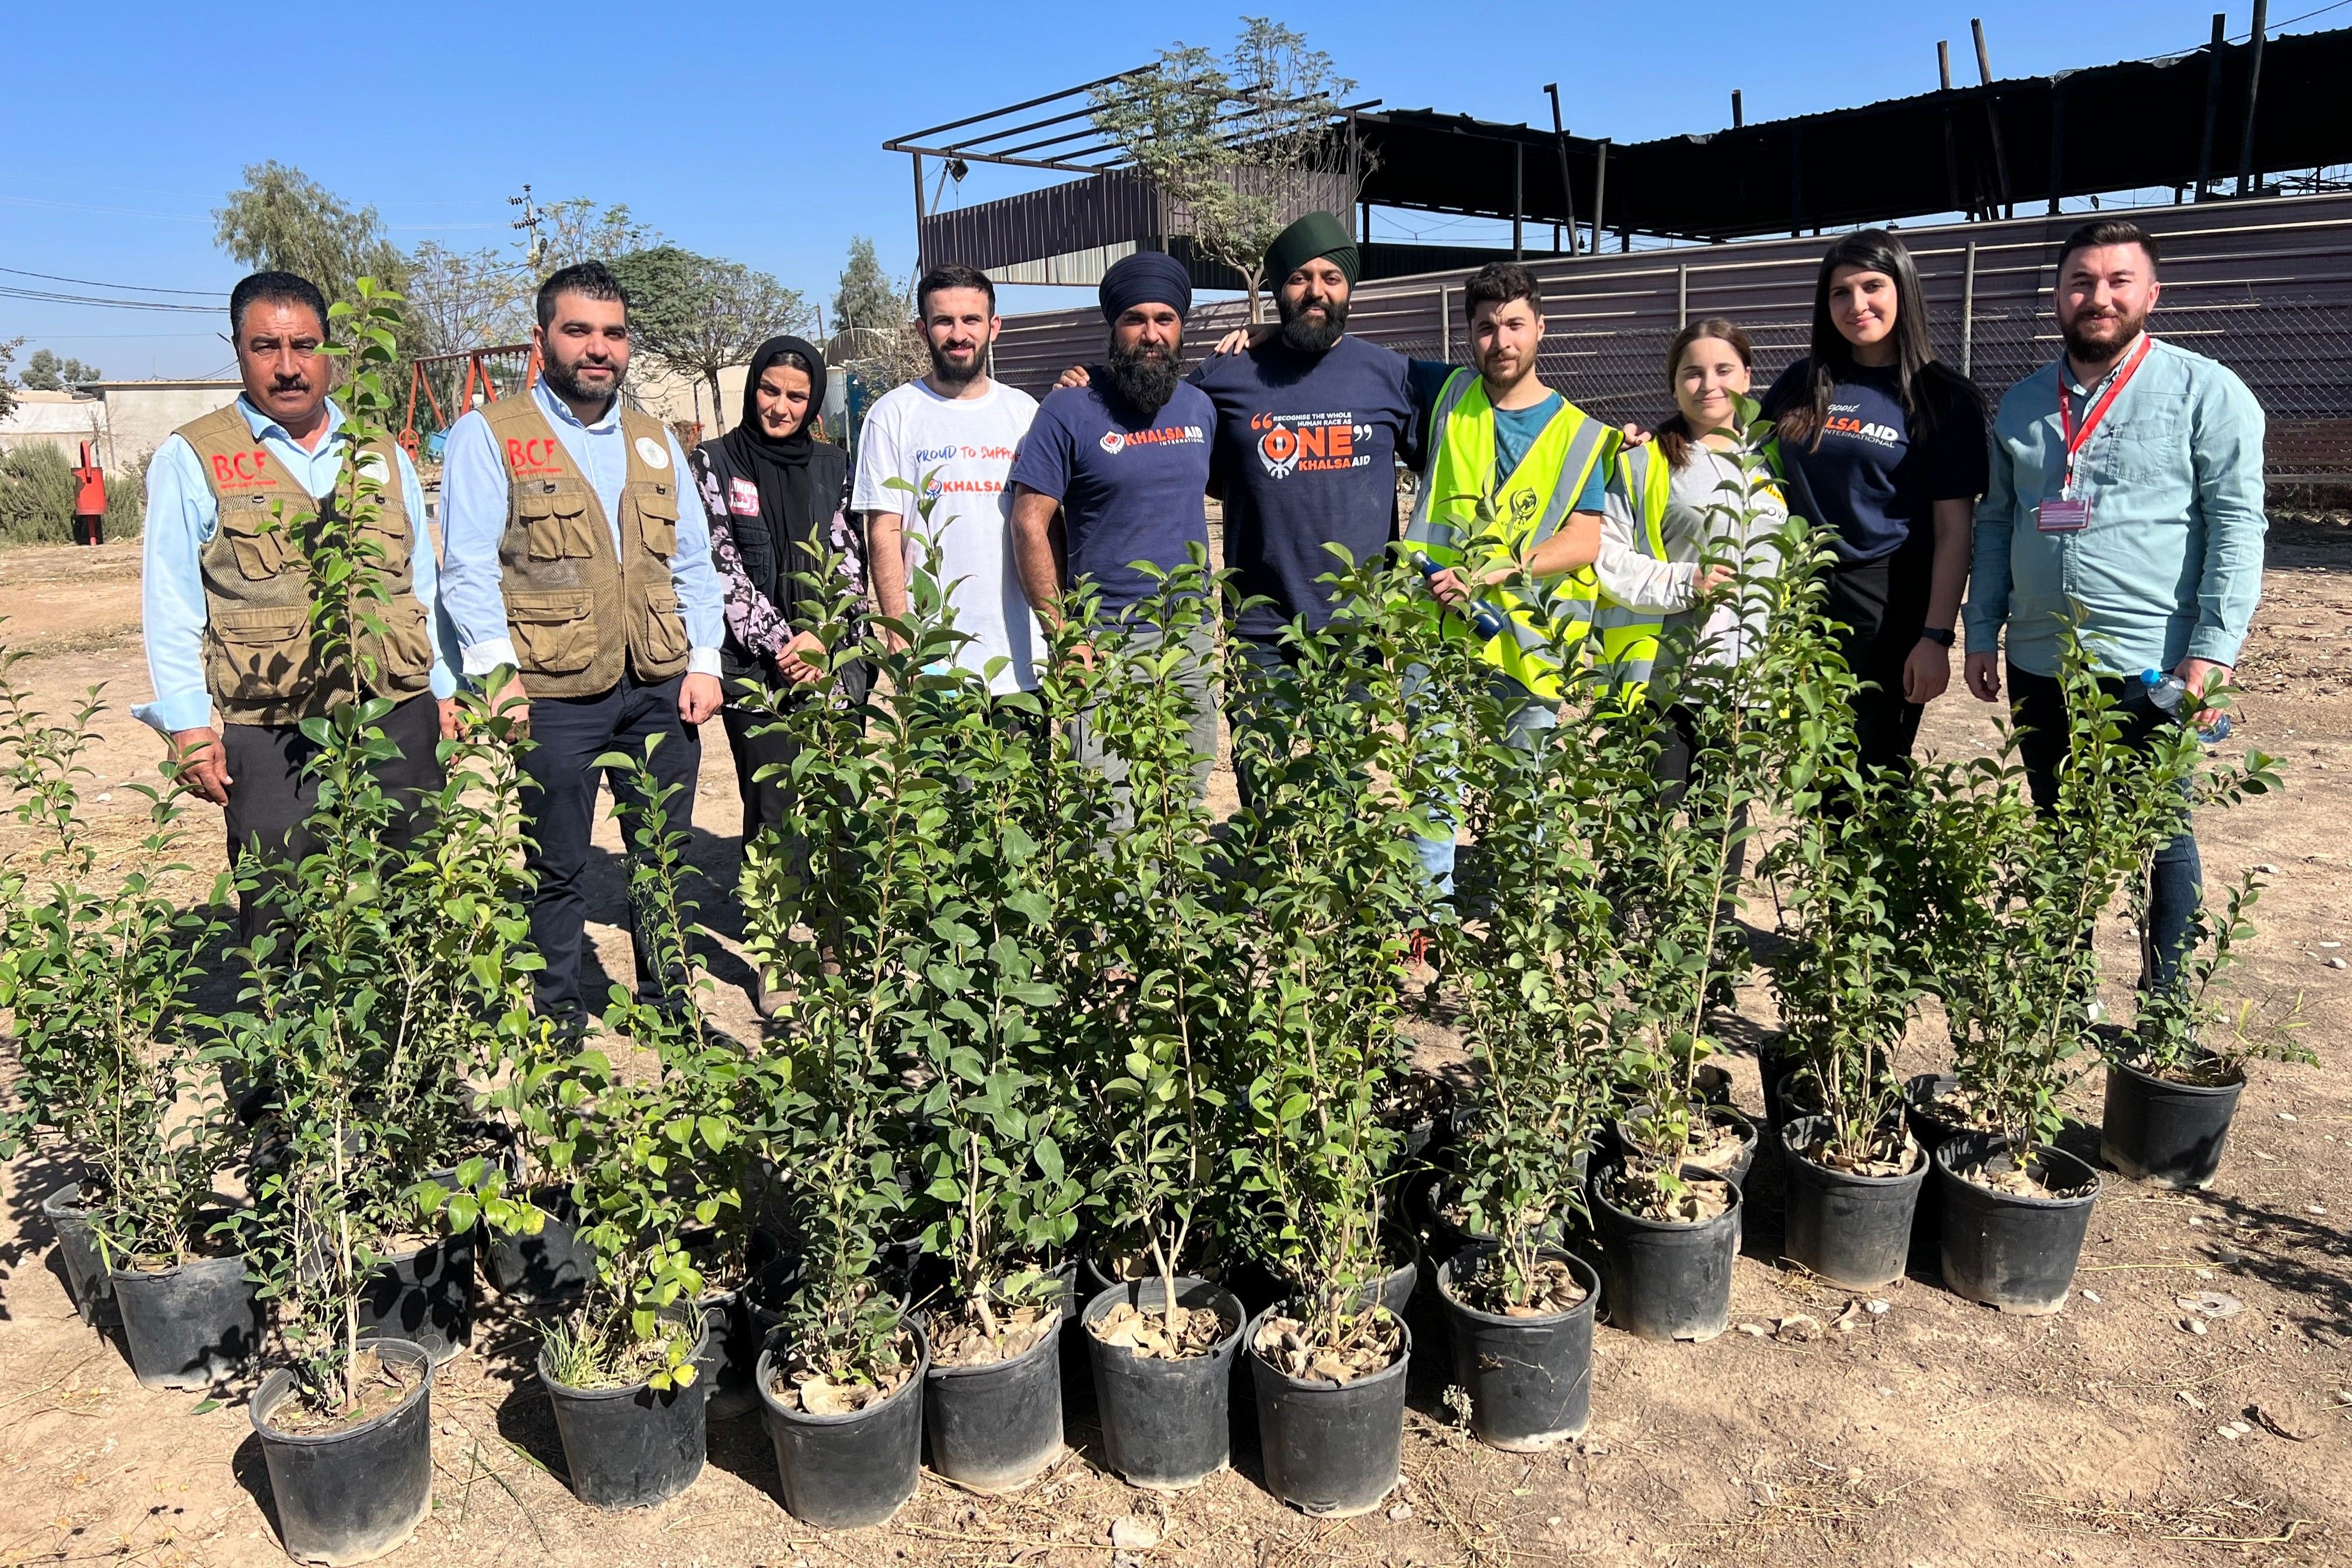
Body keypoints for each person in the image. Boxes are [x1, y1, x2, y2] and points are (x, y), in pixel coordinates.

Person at [1964, 219, 2267, 988]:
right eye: (2080, 282)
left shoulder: (2207, 393)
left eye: (2117, 281)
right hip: (2039, 660)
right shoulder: (2024, 405)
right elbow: (1996, 523)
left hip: (2150, 666)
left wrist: (2212, 652)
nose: (2098, 297)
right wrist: (1980, 630)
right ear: (2058, 297)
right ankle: (2066, 993)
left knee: (2161, 836)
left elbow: (2237, 527)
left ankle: (2164, 1006)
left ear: (2150, 293)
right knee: (2060, 830)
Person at [437, 261, 727, 1037]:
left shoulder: (655, 440)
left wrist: (705, 661)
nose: (598, 349)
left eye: (613, 333)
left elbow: (693, 561)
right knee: (559, 868)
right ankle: (558, 1019)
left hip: (660, 688)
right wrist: (495, 678)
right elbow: (465, 567)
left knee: (664, 859)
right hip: (551, 693)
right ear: (542, 341)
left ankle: (672, 1009)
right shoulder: (490, 435)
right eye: (579, 331)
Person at [135, 269, 458, 945]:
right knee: (279, 903)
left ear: (331, 351)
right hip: (271, 721)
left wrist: (444, 691)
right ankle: (284, 1053)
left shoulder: (381, 452)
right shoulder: (195, 456)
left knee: (416, 888)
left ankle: (413, 1048)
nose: (288, 367)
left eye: (304, 345)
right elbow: (170, 603)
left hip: (395, 709)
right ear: (238, 350)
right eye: (265, 348)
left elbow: (418, 582)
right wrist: (189, 727)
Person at [1399, 262, 1615, 900]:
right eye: (1487, 327)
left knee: (1525, 780)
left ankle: (1524, 909)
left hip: (1527, 634)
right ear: (1470, 333)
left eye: (1515, 324)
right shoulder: (1447, 396)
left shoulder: (1582, 435)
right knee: (1433, 778)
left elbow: (1585, 539)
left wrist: (1500, 570)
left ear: (1540, 327)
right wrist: (1260, 335)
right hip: (1438, 621)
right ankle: (1427, 911)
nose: (1502, 341)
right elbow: (1345, 354)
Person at [1761, 229, 1987, 772]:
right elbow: (1740, 457)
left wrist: (1936, 636)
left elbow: (1956, 530)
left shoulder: (1944, 397)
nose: (1856, 304)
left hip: (1887, 603)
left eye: (1872, 286)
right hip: (1801, 599)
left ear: (1902, 291)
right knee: (1811, 768)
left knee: (1874, 769)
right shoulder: (1801, 381)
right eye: (1840, 292)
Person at [688, 335, 866, 1016]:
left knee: (835, 804)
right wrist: (781, 641)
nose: (781, 406)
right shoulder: (714, 460)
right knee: (773, 808)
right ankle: (776, 953)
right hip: (757, 672)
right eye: (770, 390)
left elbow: (851, 559)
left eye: (797, 395)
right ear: (751, 388)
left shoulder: (836, 464)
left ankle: (834, 940)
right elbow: (719, 564)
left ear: (814, 399)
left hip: (834, 668)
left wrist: (823, 639)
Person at [1007, 250, 1217, 806]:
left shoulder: (1200, 406)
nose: (1151, 333)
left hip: (1189, 638)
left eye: (1164, 319)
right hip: (1103, 642)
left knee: (1185, 802)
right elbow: (1030, 525)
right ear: (1114, 327)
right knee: (1109, 814)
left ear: (1180, 327)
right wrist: (1064, 635)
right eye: (1135, 319)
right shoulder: (1068, 409)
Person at [1592, 318, 1790, 883]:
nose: (1709, 384)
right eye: (1692, 373)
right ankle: (1629, 952)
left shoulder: (1775, 463)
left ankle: (1712, 964)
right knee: (1645, 828)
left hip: (1742, 684)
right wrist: (1687, 583)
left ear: (1748, 377)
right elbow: (1608, 559)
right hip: (1666, 680)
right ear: (1673, 384)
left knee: (1723, 832)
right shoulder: (1646, 462)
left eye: (1724, 370)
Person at [852, 264, 1040, 695]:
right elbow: (884, 532)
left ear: (994, 326)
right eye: (944, 321)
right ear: (922, 329)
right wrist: (900, 635)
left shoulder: (1024, 413)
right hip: (934, 660)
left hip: (1020, 658)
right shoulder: (893, 414)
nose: (959, 334)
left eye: (971, 319)